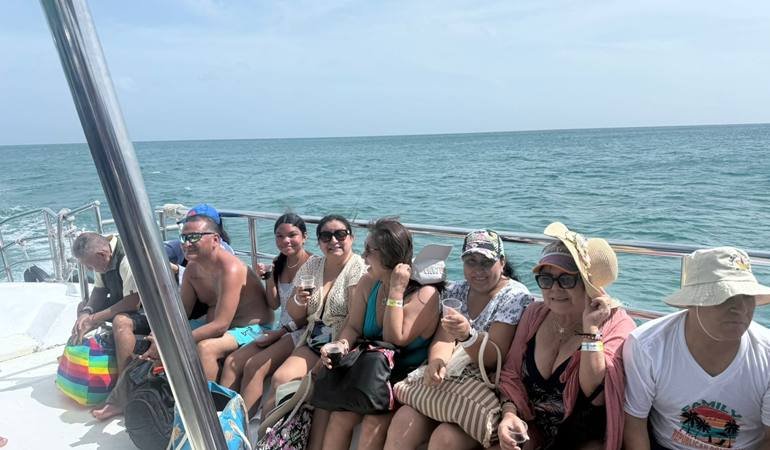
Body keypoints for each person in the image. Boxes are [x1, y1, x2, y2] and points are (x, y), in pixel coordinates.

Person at [386, 229, 534, 450]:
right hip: (452, 381)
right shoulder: (457, 290)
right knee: (404, 418)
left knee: (445, 438)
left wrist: (467, 336)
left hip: (485, 388)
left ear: (502, 263)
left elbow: (493, 359)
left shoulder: (514, 296)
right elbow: (444, 339)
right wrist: (437, 362)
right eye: (471, 261)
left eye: (486, 262)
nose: (478, 270)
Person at [494, 222, 636, 450]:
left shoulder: (617, 325)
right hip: (532, 427)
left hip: (580, 437)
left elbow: (595, 393)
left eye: (566, 279)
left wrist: (591, 331)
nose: (554, 288)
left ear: (588, 286)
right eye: (546, 278)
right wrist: (509, 414)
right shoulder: (535, 314)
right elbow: (511, 373)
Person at [623, 247, 770, 450]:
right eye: (725, 296)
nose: (740, 308)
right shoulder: (647, 347)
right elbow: (634, 424)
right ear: (692, 303)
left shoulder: (766, 354)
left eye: (747, 296)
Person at [319, 218, 447, 450]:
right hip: (370, 372)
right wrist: (341, 345)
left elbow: (393, 338)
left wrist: (396, 290)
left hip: (404, 379)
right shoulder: (369, 282)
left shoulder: (425, 295)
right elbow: (353, 327)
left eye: (369, 250)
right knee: (339, 418)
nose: (363, 255)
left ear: (389, 255)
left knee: (372, 424)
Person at [265, 214, 366, 449]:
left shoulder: (357, 269)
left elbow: (356, 322)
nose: (334, 241)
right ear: (319, 241)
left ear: (351, 238)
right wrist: (299, 301)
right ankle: (269, 440)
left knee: (320, 394)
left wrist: (336, 349)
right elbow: (295, 314)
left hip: (342, 346)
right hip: (313, 340)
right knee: (280, 379)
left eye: (340, 234)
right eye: (326, 236)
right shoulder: (312, 265)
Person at [140, 211, 272, 381]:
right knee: (158, 336)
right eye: (183, 238)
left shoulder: (231, 269)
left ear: (215, 240)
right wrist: (158, 334)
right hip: (220, 325)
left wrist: (171, 342)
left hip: (253, 329)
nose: (187, 243)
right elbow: (182, 312)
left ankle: (209, 397)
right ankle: (162, 388)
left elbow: (220, 325)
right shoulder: (192, 269)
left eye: (194, 237)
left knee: (206, 348)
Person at [218, 213, 312, 417]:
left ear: (304, 236)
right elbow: (274, 303)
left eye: (292, 235)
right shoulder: (279, 262)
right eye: (280, 236)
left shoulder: (314, 265)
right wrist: (269, 277)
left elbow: (312, 314)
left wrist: (280, 333)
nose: (286, 241)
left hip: (300, 331)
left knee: (254, 366)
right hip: (281, 329)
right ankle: (222, 418)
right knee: (233, 361)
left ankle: (240, 422)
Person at [70, 232, 149, 376]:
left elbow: (133, 302)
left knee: (120, 322)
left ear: (102, 255)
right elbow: (100, 290)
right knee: (83, 307)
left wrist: (94, 318)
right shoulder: (103, 257)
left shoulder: (127, 258)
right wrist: (87, 312)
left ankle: (124, 378)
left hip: (147, 312)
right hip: (122, 303)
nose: (89, 270)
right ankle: (81, 352)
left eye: (90, 266)